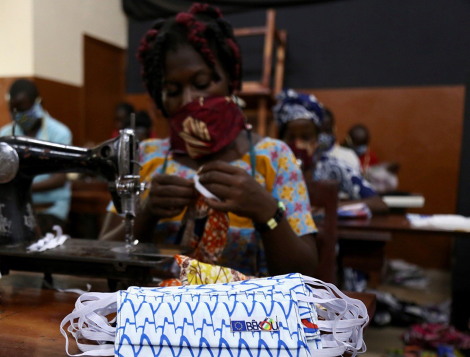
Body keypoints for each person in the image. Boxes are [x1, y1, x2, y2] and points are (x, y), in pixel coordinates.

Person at [100, 4, 318, 277]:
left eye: (202, 83)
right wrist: (146, 214)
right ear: (160, 99)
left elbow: (306, 273)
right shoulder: (145, 158)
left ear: (231, 80)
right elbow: (102, 257)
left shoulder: (274, 157)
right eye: (173, 90)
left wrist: (267, 212)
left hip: (247, 316)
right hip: (159, 313)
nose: (190, 100)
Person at [274, 89, 388, 214]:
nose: (298, 144)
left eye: (306, 137)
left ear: (317, 139)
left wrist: (330, 208)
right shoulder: (271, 168)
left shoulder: (333, 168)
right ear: (281, 139)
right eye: (291, 138)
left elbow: (378, 203)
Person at [0, 79, 71, 232]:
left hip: (51, 209)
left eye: (23, 109)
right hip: (16, 208)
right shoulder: (5, 135)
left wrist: (22, 187)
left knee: (33, 237)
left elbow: (60, 178)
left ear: (39, 103)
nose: (18, 115)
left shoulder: (60, 134)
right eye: (13, 110)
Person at [319, 107, 361, 172]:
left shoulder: (348, 158)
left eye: (327, 130)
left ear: (334, 129)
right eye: (319, 131)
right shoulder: (304, 160)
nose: (323, 136)